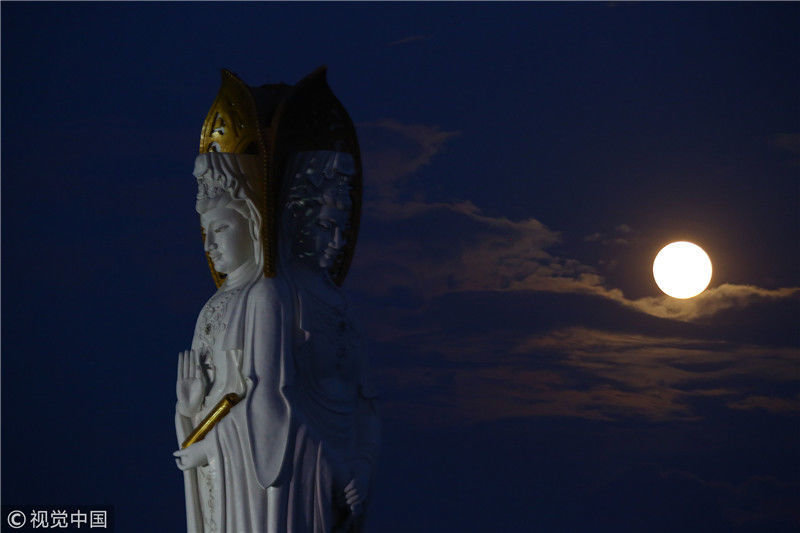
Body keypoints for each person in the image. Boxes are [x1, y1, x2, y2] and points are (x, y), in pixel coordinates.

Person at [172, 72, 380, 530]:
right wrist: (191, 418)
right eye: (324, 224)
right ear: (290, 221)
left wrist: (358, 468)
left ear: (253, 221)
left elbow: (362, 409)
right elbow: (259, 410)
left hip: (317, 491)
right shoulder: (247, 300)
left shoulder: (325, 306)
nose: (337, 239)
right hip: (254, 493)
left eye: (339, 225)